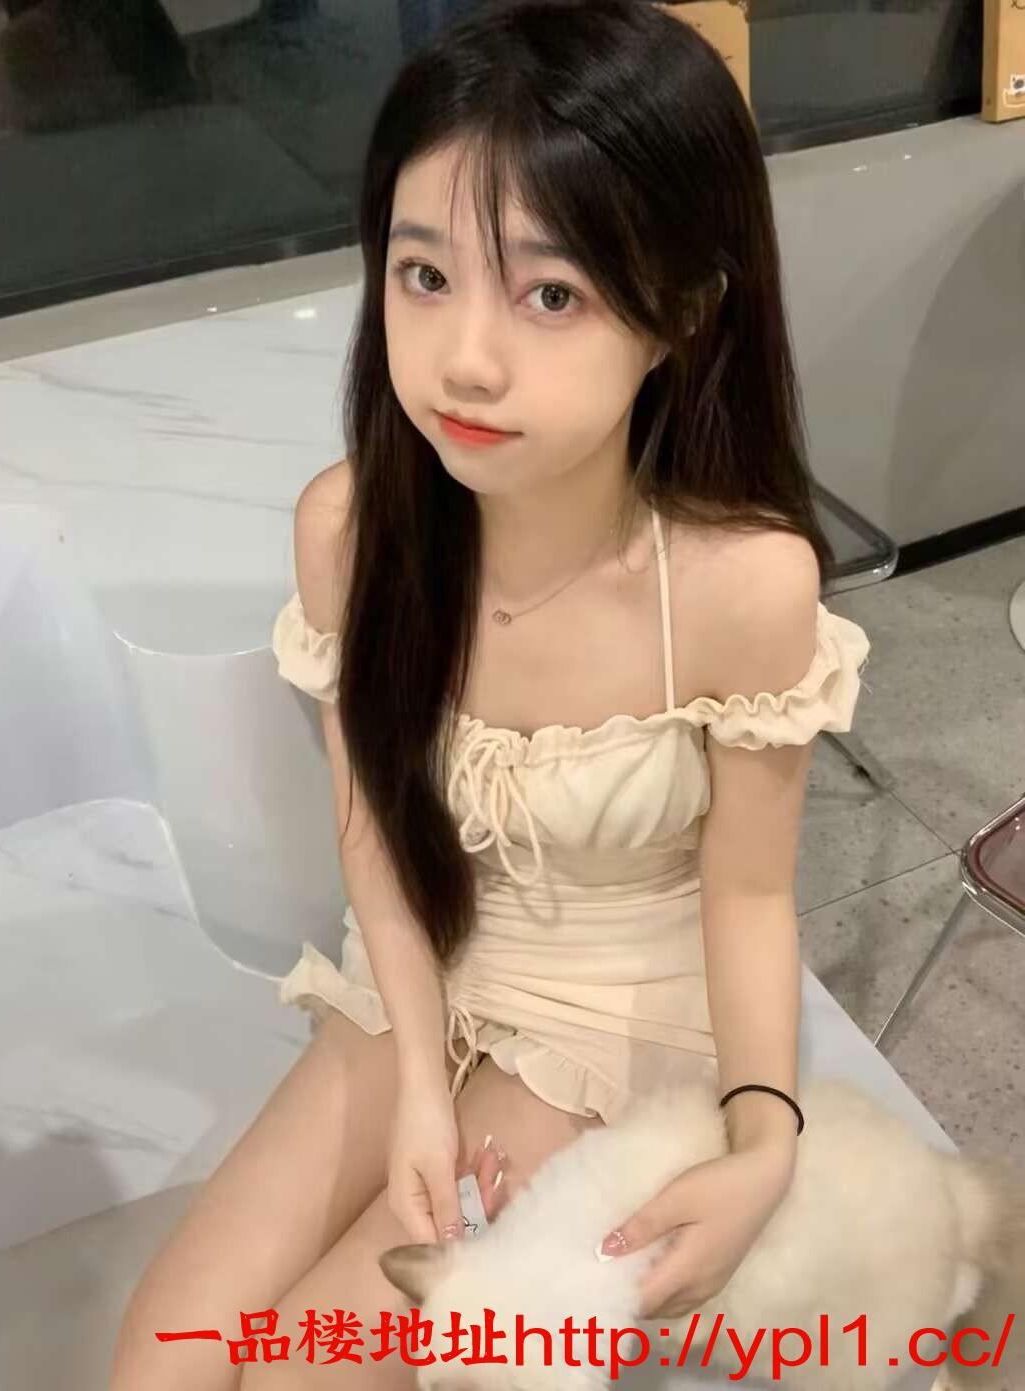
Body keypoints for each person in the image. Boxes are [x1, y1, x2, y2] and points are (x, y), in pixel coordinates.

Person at [108, 2, 871, 1387]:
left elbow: (752, 894)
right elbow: (372, 834)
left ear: (684, 312)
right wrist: (418, 1076)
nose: (464, 356)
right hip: (428, 968)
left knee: (302, 1376)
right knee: (161, 1361)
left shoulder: (740, 584)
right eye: (423, 274)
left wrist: (766, 1135)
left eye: (550, 294)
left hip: (623, 1012)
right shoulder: (352, 528)